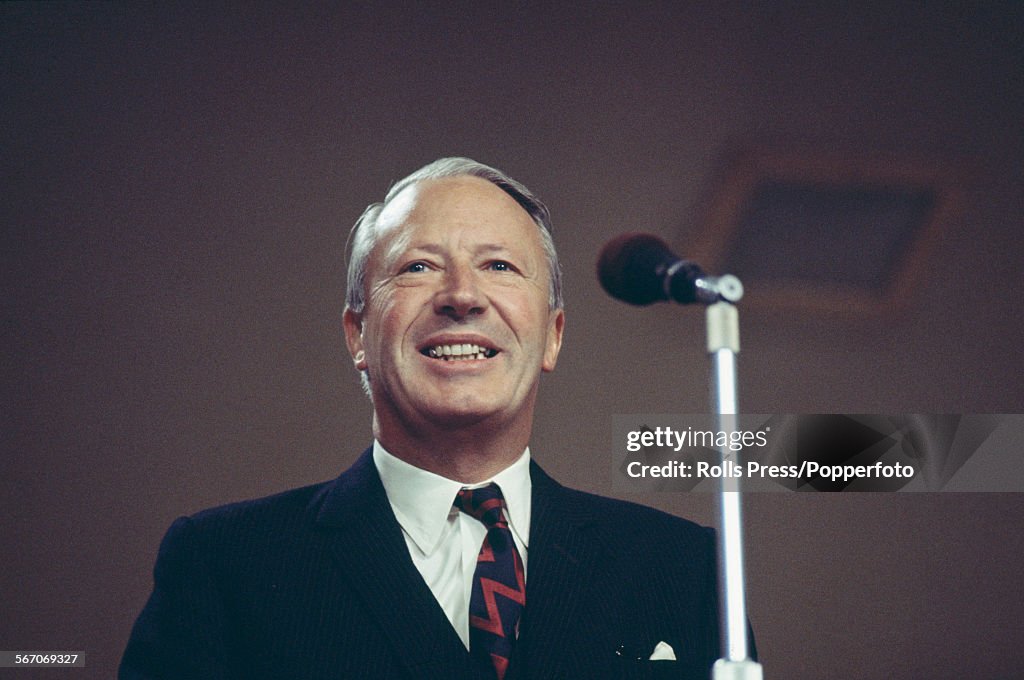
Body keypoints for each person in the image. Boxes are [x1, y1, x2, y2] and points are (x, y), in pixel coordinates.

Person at [120, 158, 726, 679]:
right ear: (357, 334)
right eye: (418, 266)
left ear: (553, 337)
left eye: (499, 266)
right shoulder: (225, 566)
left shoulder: (684, 571)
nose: (462, 295)